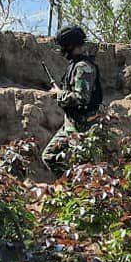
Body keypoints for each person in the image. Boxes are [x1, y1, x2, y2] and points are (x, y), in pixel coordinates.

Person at [41, 25, 103, 174]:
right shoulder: (75, 65)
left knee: (82, 167)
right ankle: (70, 185)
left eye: (63, 46)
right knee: (50, 156)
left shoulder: (83, 67)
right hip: (72, 124)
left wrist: (59, 93)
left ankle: (78, 186)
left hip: (83, 127)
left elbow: (82, 98)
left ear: (70, 46)